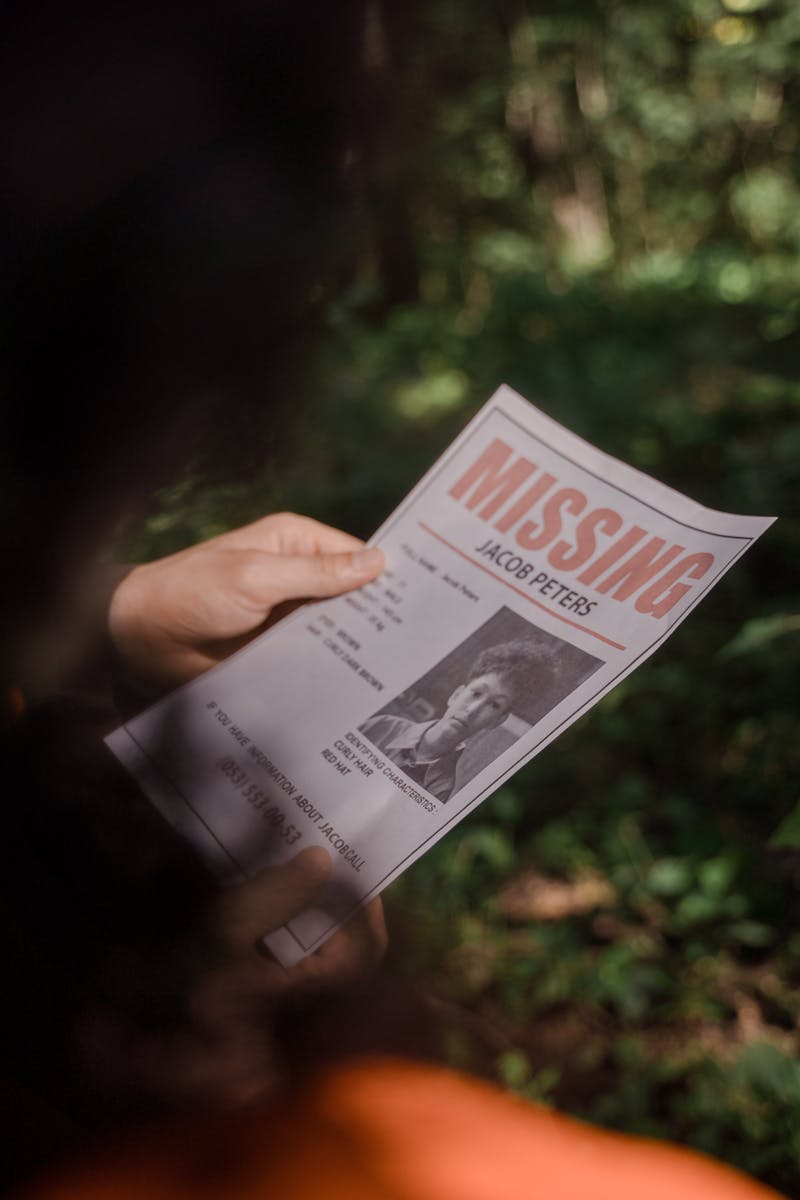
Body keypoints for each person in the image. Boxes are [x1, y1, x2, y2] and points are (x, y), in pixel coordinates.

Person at [360, 640, 552, 802]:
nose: (472, 710)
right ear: (456, 695)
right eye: (475, 693)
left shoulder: (442, 792)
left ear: (497, 721)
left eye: (494, 705)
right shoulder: (381, 726)